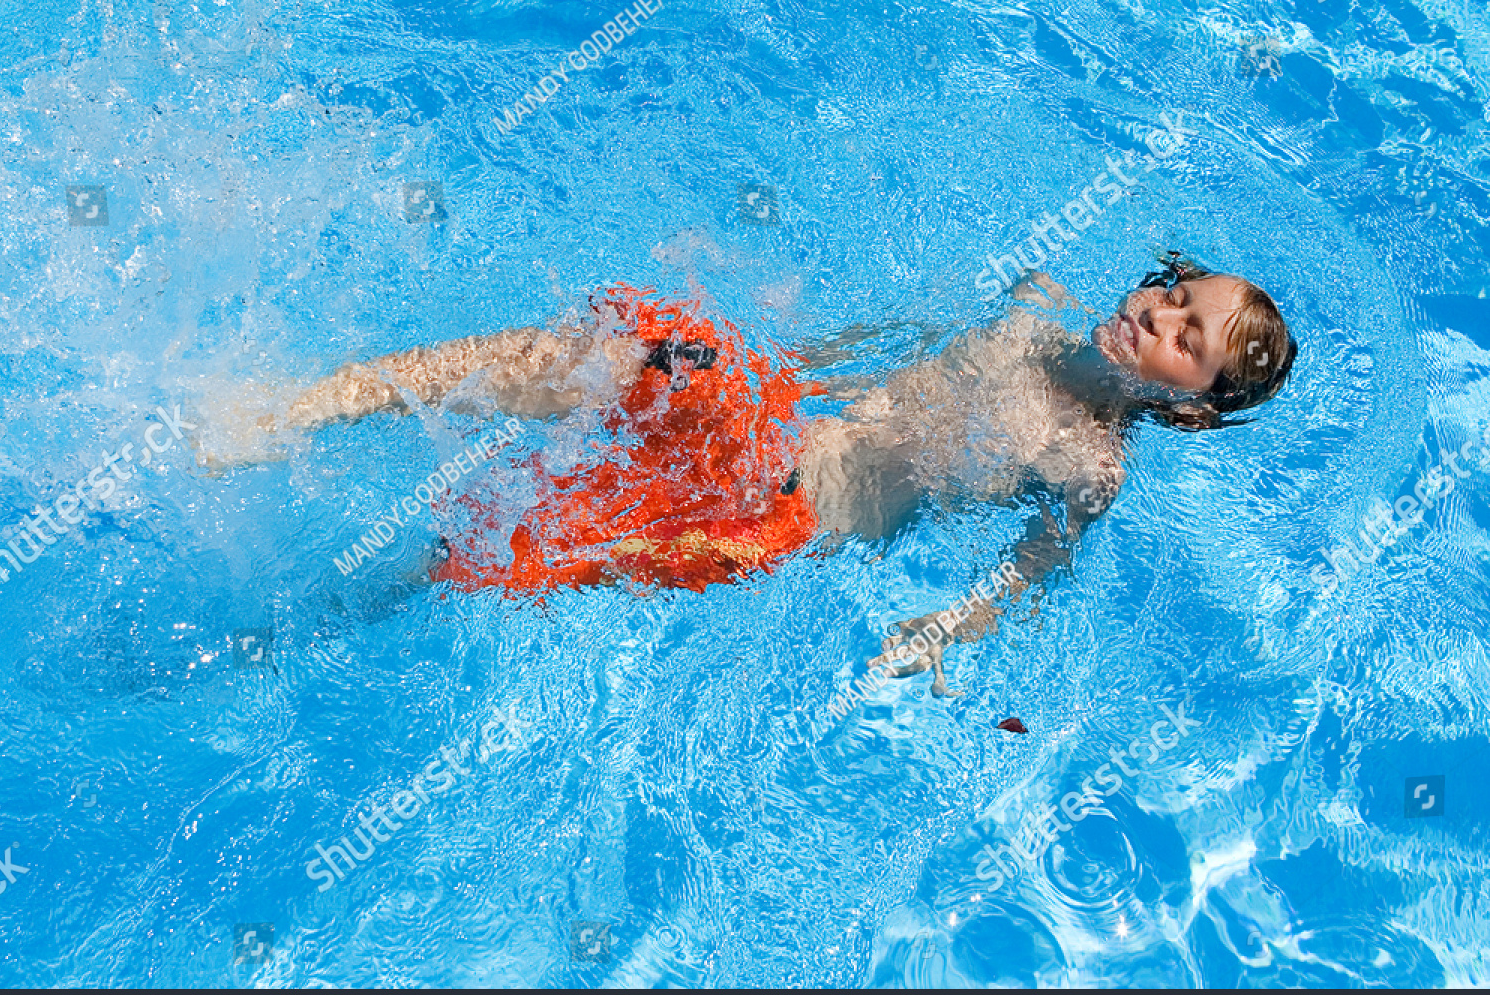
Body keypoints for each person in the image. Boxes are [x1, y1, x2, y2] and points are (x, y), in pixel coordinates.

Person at [199, 253, 1296, 696]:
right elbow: (892, 344)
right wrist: (784, 358)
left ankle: (308, 623)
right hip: (771, 426)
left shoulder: (1091, 465)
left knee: (498, 562)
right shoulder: (1031, 319)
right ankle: (318, 400)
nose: (1157, 316)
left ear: (1188, 403)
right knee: (621, 353)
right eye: (1173, 295)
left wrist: (944, 632)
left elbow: (1035, 570)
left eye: (1183, 337)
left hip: (781, 517)